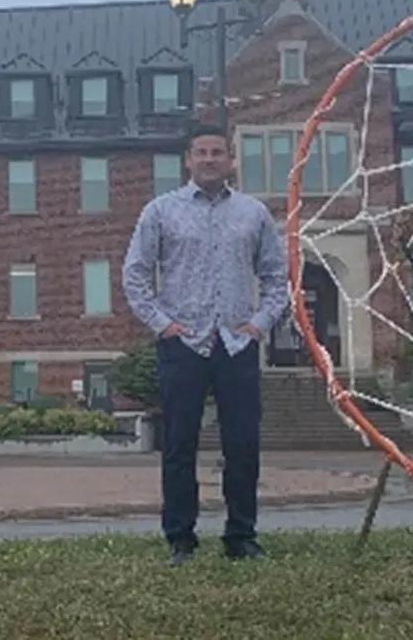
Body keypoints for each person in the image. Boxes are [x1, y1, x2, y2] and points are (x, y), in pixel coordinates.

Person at [123, 124, 289, 566]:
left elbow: (277, 278)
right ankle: (180, 538)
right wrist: (163, 325)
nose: (210, 158)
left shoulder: (254, 214)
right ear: (188, 159)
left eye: (218, 152)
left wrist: (259, 325)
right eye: (202, 152)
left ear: (231, 159)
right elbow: (135, 275)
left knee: (243, 444)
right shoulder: (161, 212)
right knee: (179, 445)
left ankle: (242, 536)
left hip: (237, 344)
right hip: (184, 345)